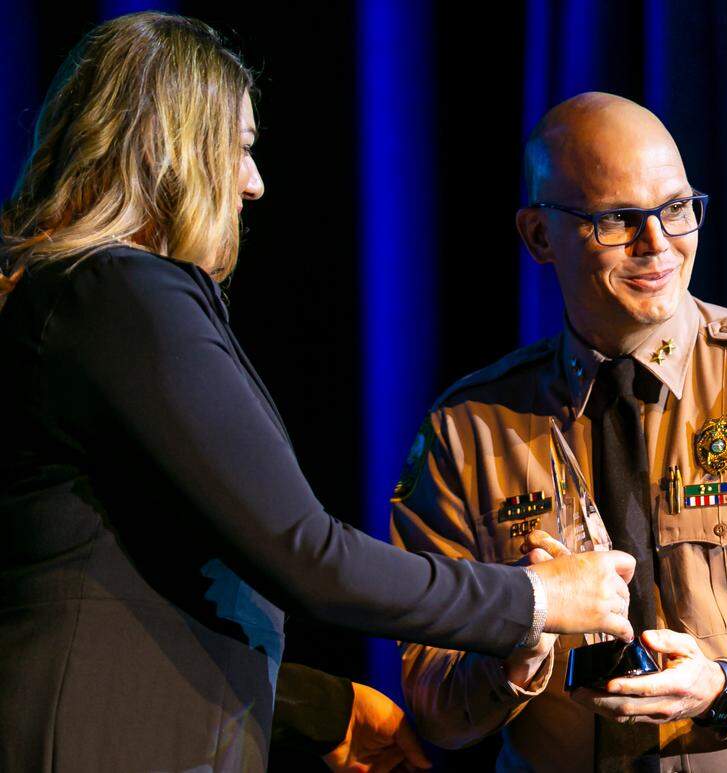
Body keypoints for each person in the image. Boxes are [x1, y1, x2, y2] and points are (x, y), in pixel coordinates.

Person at [0, 16, 635, 772]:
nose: (253, 182)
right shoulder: (120, 293)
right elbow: (310, 556)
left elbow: (133, 583)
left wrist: (315, 706)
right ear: (171, 152)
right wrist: (535, 598)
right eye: (238, 147)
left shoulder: (71, 298)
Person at [392, 92, 727, 772]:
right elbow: (434, 703)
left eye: (676, 208)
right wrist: (518, 636)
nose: (658, 243)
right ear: (540, 236)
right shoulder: (469, 431)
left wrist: (725, 686)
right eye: (617, 219)